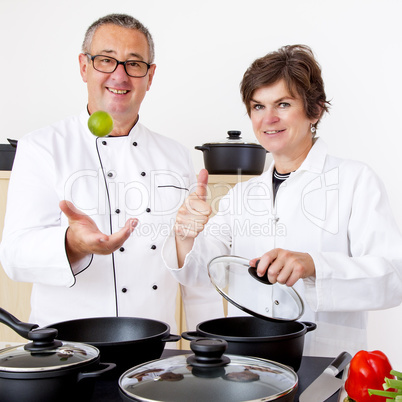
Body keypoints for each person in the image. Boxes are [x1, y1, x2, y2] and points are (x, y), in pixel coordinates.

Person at [163, 44, 402, 356]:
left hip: (326, 363)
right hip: (250, 367)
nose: (269, 118)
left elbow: (392, 278)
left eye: (283, 104)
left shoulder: (356, 180)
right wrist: (186, 233)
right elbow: (201, 272)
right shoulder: (242, 196)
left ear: (315, 109)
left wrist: (314, 265)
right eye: (258, 106)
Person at [0, 13, 223, 333]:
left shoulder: (175, 155)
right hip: (68, 350)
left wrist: (214, 344)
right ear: (83, 66)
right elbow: (15, 256)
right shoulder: (42, 147)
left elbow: (197, 274)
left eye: (134, 64)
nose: (120, 75)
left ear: (150, 76)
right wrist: (73, 244)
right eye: (106, 60)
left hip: (157, 352)